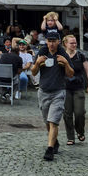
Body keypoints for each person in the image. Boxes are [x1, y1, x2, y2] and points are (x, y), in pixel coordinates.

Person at [30, 33, 69, 161]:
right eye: (49, 41)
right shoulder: (42, 53)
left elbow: (70, 73)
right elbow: (34, 72)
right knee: (47, 121)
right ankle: (54, 141)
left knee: (53, 121)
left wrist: (66, 64)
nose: (51, 43)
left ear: (58, 42)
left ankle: (50, 149)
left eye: (54, 41)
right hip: (43, 91)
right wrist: (37, 63)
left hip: (58, 92)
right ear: (46, 42)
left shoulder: (63, 54)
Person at [60, 34, 88, 145]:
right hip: (65, 87)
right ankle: (70, 136)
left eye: (75, 42)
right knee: (67, 113)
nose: (74, 45)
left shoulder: (80, 55)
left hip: (78, 86)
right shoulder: (61, 56)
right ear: (65, 44)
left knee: (79, 113)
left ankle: (80, 131)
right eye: (71, 43)